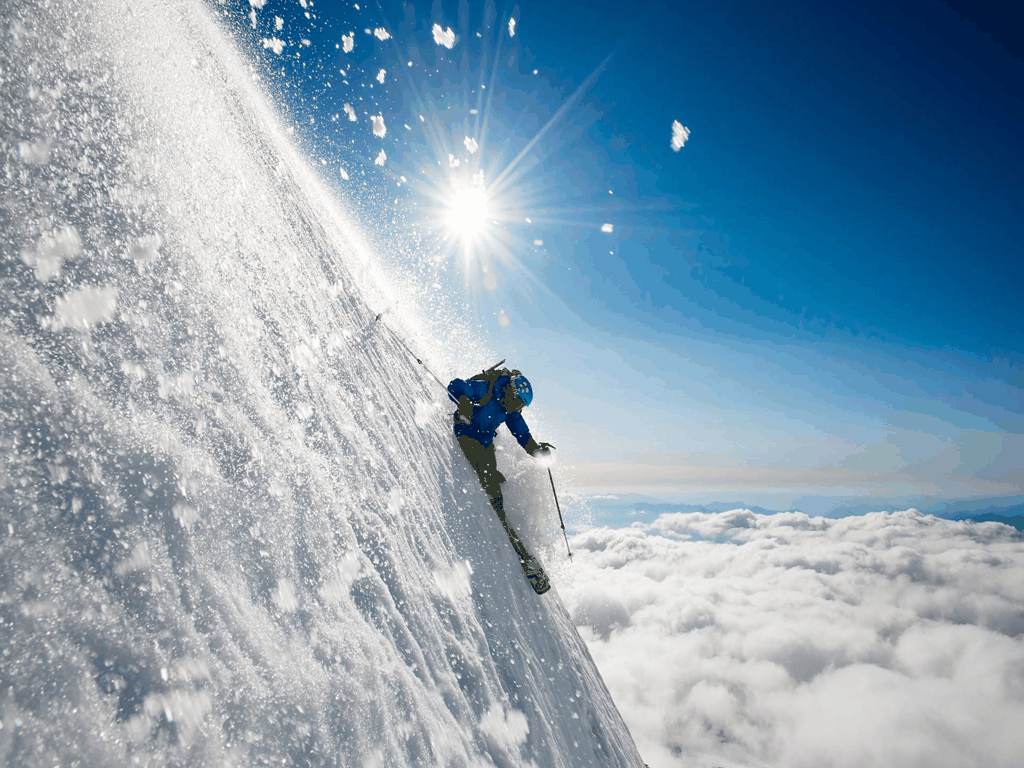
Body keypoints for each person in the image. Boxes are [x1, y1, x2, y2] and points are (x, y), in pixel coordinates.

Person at [447, 368, 553, 572]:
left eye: (520, 405)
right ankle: (497, 509)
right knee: (488, 479)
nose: (517, 408)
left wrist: (536, 450)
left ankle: (500, 506)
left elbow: (522, 433)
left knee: (494, 477)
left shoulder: (510, 410)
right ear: (511, 392)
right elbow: (456, 385)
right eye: (517, 402)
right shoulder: (486, 388)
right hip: (466, 432)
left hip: (485, 441)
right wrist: (464, 401)